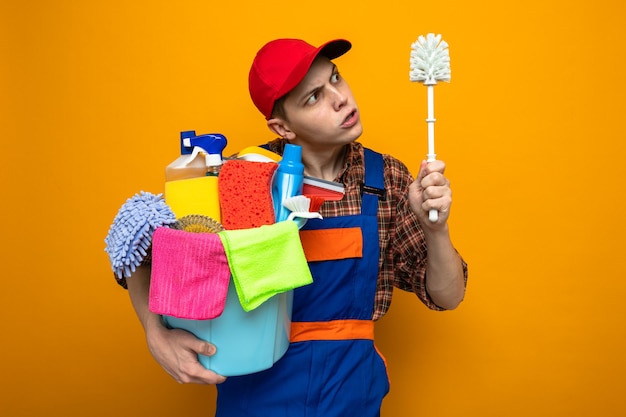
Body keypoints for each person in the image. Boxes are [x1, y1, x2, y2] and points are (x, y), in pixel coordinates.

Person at [122, 38, 468, 416]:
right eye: (313, 98)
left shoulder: (386, 180)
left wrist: (436, 229)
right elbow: (140, 246)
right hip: (258, 395)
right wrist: (156, 336)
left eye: (335, 78)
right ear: (282, 127)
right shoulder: (240, 177)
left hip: (351, 394)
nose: (339, 98)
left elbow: (448, 296)